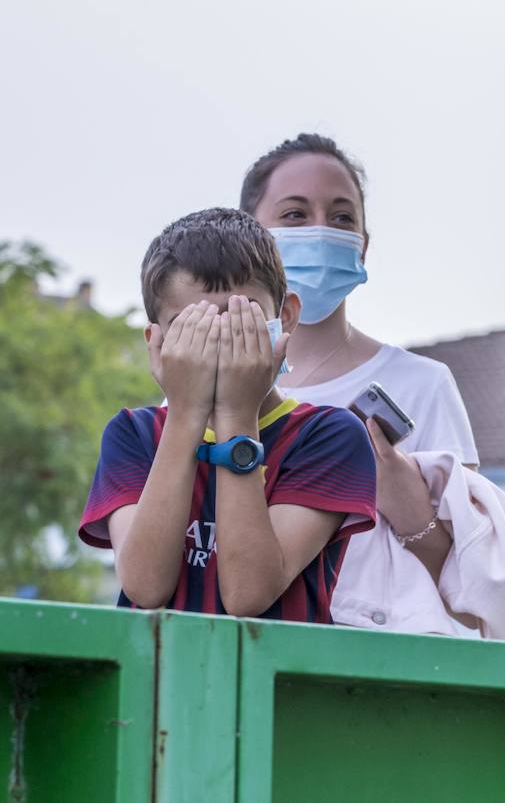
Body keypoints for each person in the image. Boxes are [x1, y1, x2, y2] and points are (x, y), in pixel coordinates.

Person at [242, 134, 505, 638]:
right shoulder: (211, 387)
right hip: (242, 653)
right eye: (295, 214)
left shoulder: (422, 384)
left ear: (363, 243)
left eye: (341, 217)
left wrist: (406, 504)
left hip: (379, 662)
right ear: (250, 237)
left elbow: (472, 585)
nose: (321, 230)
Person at [79, 208, 376, 621]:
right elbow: (145, 587)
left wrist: (237, 414)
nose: (221, 339)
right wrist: (185, 413)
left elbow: (248, 594)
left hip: (276, 681)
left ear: (285, 316)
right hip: (158, 679)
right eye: (193, 328)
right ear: (157, 341)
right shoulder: (134, 434)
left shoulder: (327, 435)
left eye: (240, 319)